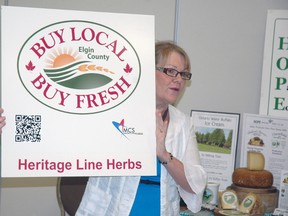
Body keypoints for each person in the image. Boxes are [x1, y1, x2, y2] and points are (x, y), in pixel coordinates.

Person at [0, 41, 207, 215]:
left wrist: (163, 154)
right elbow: (59, 133)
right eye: (170, 71)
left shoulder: (182, 123)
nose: (178, 79)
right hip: (113, 209)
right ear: (147, 72)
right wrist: (9, 127)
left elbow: (195, 183)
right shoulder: (111, 108)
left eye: (184, 74)